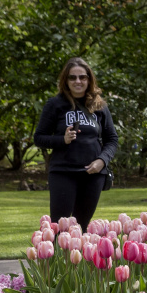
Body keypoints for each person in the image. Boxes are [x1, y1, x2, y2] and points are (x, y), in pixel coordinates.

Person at [33, 57, 118, 229]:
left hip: (92, 175)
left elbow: (112, 139)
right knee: (60, 227)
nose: (78, 81)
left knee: (82, 227)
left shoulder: (99, 106)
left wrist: (102, 161)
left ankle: (80, 257)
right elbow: (39, 138)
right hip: (63, 172)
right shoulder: (55, 104)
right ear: (66, 80)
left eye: (82, 77)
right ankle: (58, 256)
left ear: (89, 79)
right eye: (73, 77)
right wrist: (62, 140)